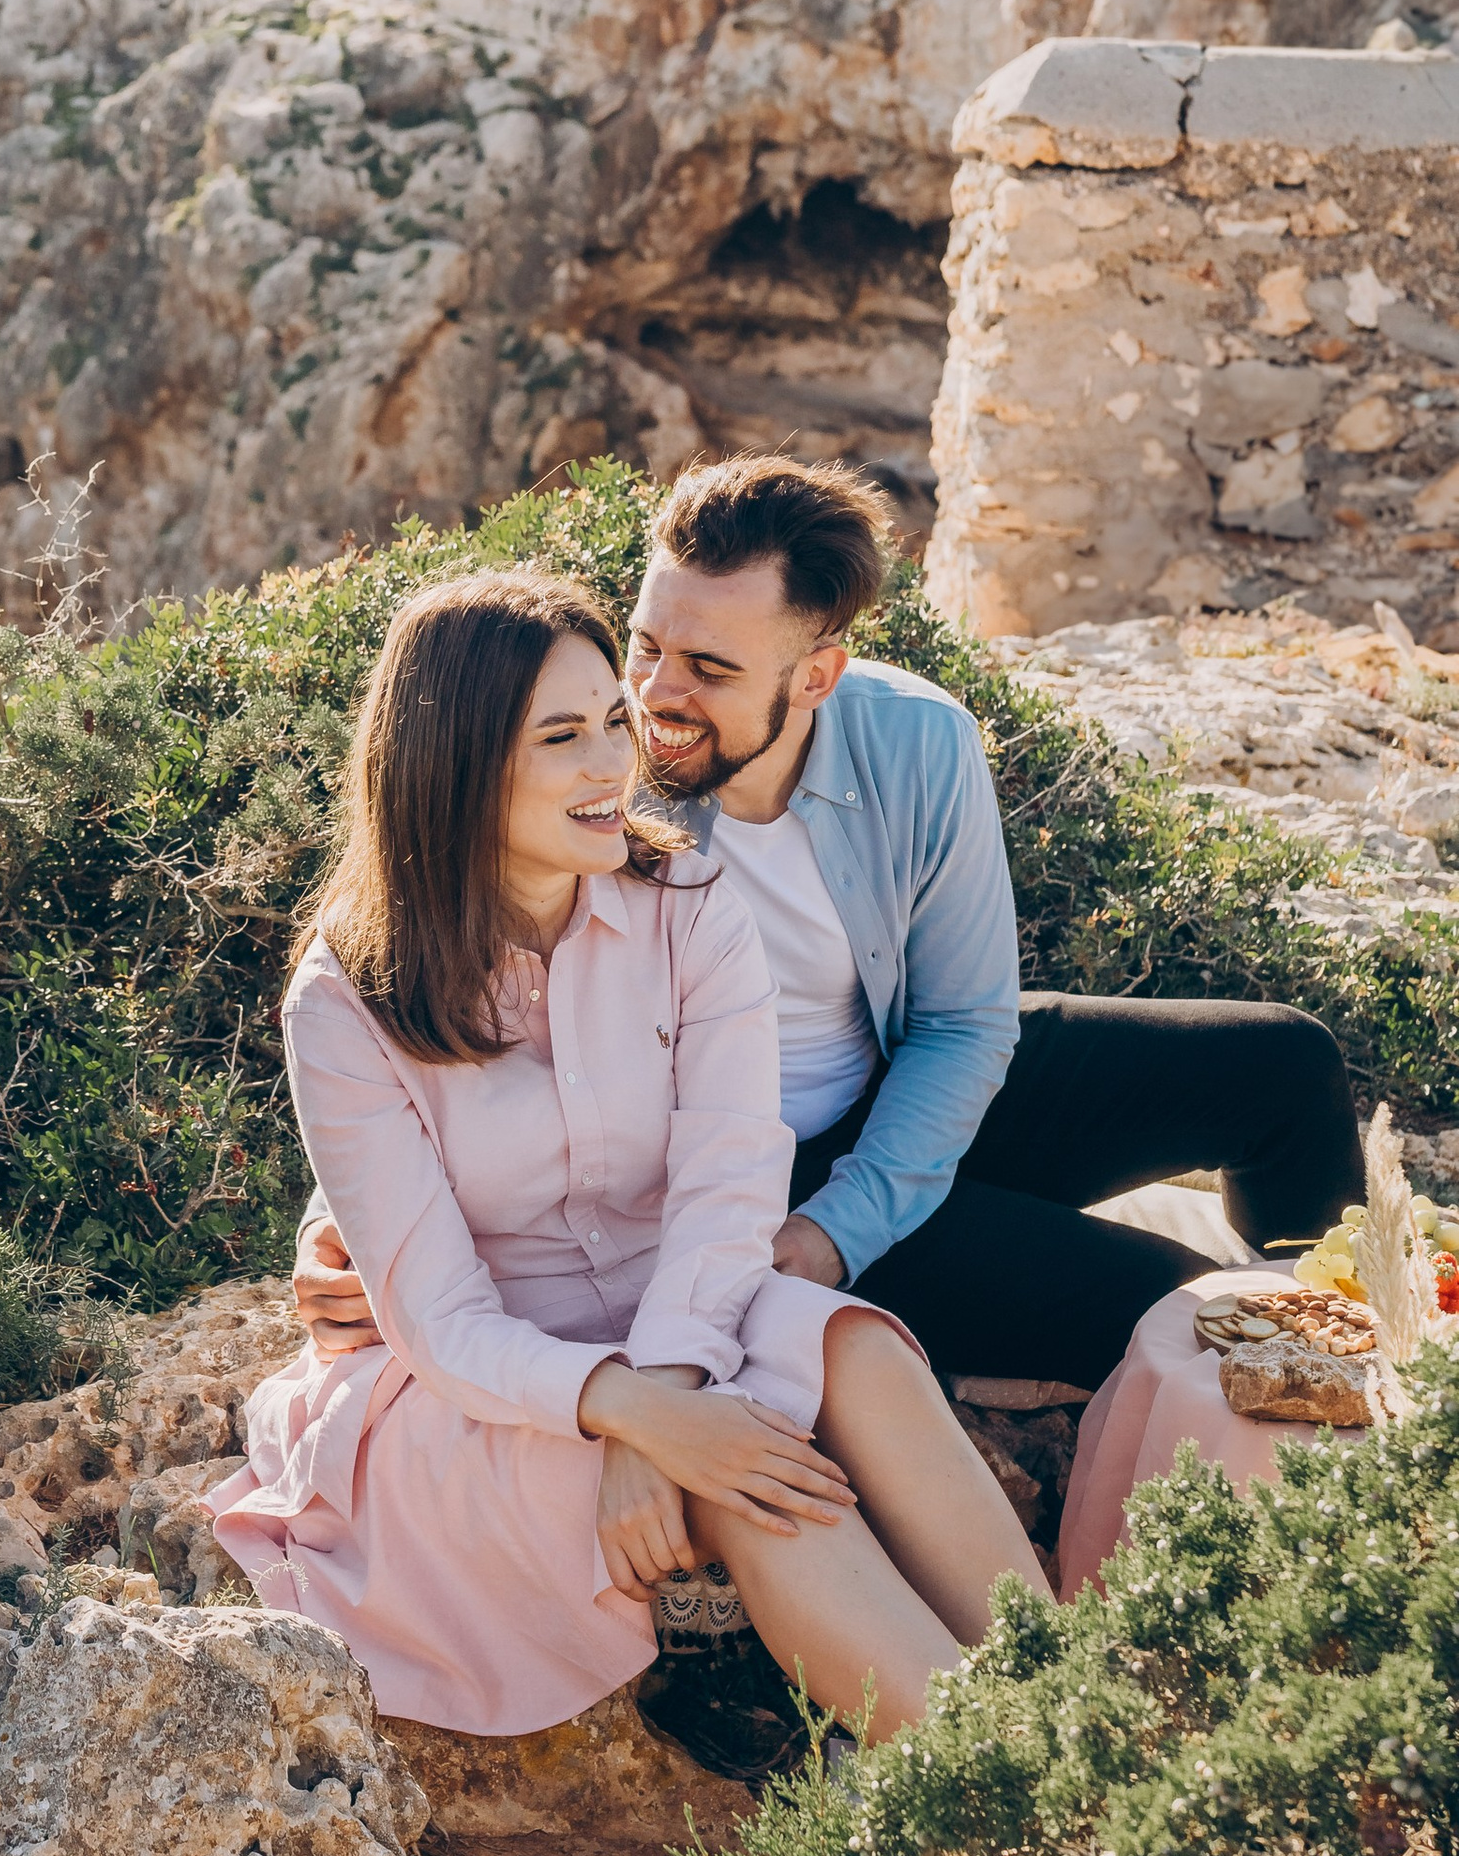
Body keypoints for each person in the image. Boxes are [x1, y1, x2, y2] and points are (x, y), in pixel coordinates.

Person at [294, 456, 1363, 1400]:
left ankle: (1368, 1375)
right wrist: (335, 1222)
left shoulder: (918, 743)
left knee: (1283, 1065)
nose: (655, 698)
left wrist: (843, 1230)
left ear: (815, 675)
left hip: (895, 1087)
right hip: (740, 1178)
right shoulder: (589, 777)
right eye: (647, 645)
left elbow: (962, 1024)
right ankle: (1289, 1409)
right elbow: (427, 970)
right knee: (1183, 1307)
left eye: (711, 668)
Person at [204, 567, 1050, 1746]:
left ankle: (1075, 1714)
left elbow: (728, 1192)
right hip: (483, 1388)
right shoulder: (346, 999)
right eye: (562, 737)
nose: (615, 763)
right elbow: (440, 1322)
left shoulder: (689, 904)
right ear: (454, 766)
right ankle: (1013, 1778)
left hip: (684, 1312)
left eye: (613, 719)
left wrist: (672, 1392)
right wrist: (632, 1417)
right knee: (744, 1484)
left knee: (859, 1353)